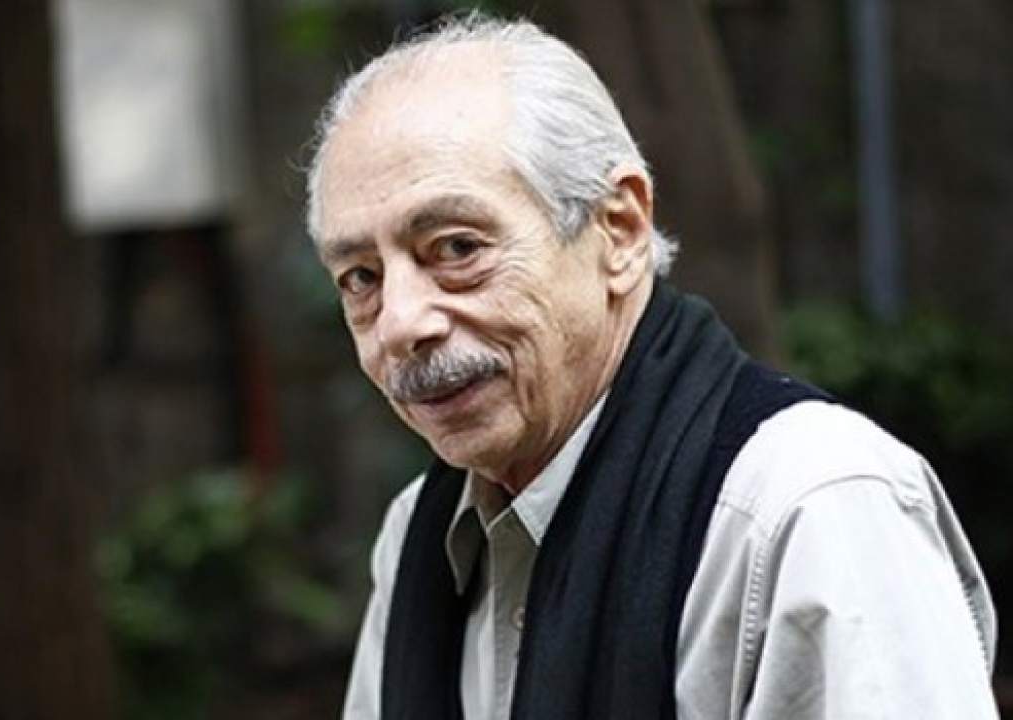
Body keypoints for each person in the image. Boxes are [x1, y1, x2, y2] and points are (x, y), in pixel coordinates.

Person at [304, 14, 998, 720]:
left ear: (620, 230)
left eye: (456, 249)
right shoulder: (417, 536)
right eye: (361, 277)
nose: (400, 324)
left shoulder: (806, 509)